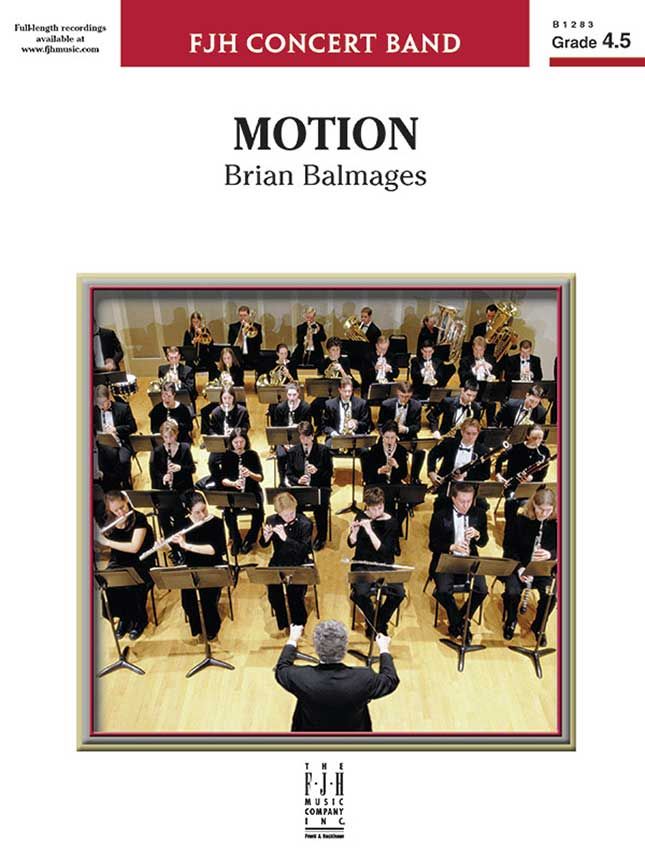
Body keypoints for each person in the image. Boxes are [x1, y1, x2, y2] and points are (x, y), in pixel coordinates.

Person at [274, 620, 399, 732]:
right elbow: (390, 680)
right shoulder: (364, 678)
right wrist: (384, 649)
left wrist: (292, 640)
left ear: (316, 648)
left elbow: (281, 669)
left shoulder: (301, 677)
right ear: (344, 648)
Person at [428, 481, 489, 641]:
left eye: (469, 501)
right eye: (462, 501)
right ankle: (461, 624)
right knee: (443, 590)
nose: (466, 505)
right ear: (453, 498)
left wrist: (478, 535)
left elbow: (483, 542)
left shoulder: (479, 514)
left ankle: (459, 620)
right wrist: (452, 546)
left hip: (469, 559)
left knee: (482, 590)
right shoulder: (440, 515)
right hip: (446, 559)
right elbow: (433, 545)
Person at [94, 490, 155, 640]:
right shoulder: (110, 520)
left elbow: (134, 547)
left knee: (132, 585)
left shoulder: (139, 519)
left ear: (126, 501)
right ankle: (124, 618)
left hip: (140, 561)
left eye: (122, 507)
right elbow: (108, 547)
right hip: (119, 560)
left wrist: (107, 542)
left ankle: (140, 620)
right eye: (116, 510)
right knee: (111, 583)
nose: (121, 512)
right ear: (110, 510)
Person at [169, 491, 228, 642]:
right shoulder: (182, 524)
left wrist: (186, 545)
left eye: (204, 510)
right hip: (190, 566)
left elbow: (214, 550)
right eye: (197, 512)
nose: (202, 515)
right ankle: (197, 627)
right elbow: (174, 549)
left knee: (208, 600)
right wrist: (164, 547)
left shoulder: (215, 523)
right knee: (187, 602)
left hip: (212, 566)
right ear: (189, 510)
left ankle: (212, 628)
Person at [503, 486, 557, 644]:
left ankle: (539, 626)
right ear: (533, 505)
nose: (544, 514)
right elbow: (509, 548)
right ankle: (511, 620)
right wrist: (520, 568)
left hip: (543, 569)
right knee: (512, 592)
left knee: (550, 596)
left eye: (548, 510)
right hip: (519, 566)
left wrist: (550, 554)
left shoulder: (557, 524)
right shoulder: (520, 521)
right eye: (540, 509)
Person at [348, 486, 403, 636]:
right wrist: (354, 533)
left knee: (399, 593)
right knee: (360, 593)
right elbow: (351, 543)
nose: (377, 512)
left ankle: (379, 622)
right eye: (372, 509)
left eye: (380, 508)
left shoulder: (391, 522)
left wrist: (370, 531)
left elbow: (385, 552)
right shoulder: (360, 516)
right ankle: (375, 624)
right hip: (362, 564)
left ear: (383, 504)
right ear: (367, 506)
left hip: (384, 565)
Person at [259, 491, 313, 633]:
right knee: (273, 594)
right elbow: (263, 544)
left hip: (299, 562)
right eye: (285, 515)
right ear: (278, 513)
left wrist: (285, 538)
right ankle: (283, 623)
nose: (290, 517)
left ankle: (298, 622)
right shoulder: (271, 520)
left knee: (295, 594)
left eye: (292, 513)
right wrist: (266, 537)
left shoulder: (305, 523)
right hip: (279, 560)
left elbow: (304, 550)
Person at [285, 421, 333, 551]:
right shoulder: (293, 451)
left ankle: (321, 537)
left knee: (320, 507)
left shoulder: (323, 451)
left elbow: (329, 473)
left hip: (320, 486)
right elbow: (289, 474)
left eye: (307, 437)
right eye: (301, 437)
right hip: (301, 488)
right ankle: (300, 533)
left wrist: (317, 471)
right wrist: (298, 480)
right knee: (293, 506)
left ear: (312, 436)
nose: (304, 440)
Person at [219, 427, 264, 554]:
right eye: (236, 442)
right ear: (231, 442)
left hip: (251, 491)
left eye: (241, 442)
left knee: (259, 513)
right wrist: (234, 483)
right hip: (234, 491)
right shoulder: (226, 456)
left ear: (246, 441)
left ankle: (250, 539)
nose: (239, 445)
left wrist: (250, 474)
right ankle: (236, 539)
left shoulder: (252, 455)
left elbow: (260, 478)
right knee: (228, 513)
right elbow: (223, 479)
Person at [149, 419, 196, 535]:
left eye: (171, 436)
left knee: (178, 512)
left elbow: (192, 469)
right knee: (163, 514)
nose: (169, 440)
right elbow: (154, 473)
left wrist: (180, 468)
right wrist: (163, 477)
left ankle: (180, 538)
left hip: (183, 489)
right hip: (165, 491)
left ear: (176, 434)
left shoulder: (184, 448)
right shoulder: (157, 451)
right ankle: (171, 540)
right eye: (166, 437)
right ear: (162, 437)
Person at [426, 418, 491, 495]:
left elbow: (486, 475)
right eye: (468, 433)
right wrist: (431, 472)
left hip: (470, 488)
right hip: (446, 485)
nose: (471, 437)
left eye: (474, 434)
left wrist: (466, 476)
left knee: (482, 503)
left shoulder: (483, 451)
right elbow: (432, 455)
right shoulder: (449, 443)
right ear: (462, 432)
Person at [93, 384, 136, 489]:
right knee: (101, 462)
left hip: (121, 443)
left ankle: (125, 484)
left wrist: (116, 429)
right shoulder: (94, 411)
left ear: (109, 399)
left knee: (123, 460)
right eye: (99, 404)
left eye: (103, 403)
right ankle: (110, 487)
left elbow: (133, 427)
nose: (101, 407)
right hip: (103, 446)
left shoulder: (123, 408)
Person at [272, 383, 312, 483]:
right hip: (284, 440)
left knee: (301, 453)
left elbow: (308, 428)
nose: (292, 398)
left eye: (294, 395)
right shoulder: (280, 408)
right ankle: (282, 481)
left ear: (298, 394)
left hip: (301, 439)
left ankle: (300, 479)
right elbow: (277, 429)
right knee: (281, 455)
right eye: (289, 395)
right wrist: (284, 444)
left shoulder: (305, 407)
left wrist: (298, 427)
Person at [322, 377, 372, 443]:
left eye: (349, 391)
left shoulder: (361, 403)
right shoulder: (330, 404)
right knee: (328, 446)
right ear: (339, 390)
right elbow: (325, 425)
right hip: (337, 436)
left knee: (364, 448)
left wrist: (356, 424)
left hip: (355, 437)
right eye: (345, 391)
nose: (347, 394)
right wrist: (333, 432)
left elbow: (366, 424)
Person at [227, 305, 262, 369]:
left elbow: (259, 341)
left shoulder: (257, 326)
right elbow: (231, 342)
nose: (242, 318)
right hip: (238, 358)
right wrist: (241, 333)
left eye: (245, 315)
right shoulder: (233, 327)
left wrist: (248, 329)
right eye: (240, 315)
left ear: (248, 315)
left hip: (252, 357)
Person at [183, 311, 215, 378]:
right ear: (191, 322)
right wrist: (192, 342)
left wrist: (201, 334)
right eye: (194, 322)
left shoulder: (205, 331)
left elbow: (210, 344)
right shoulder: (188, 332)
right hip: (192, 360)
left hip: (204, 359)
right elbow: (185, 347)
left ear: (200, 321)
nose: (195, 324)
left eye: (197, 322)